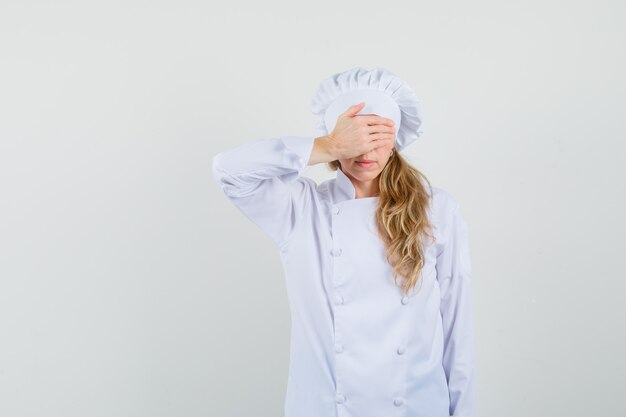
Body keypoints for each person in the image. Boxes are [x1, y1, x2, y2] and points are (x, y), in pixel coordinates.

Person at [212, 67, 476, 417]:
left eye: (376, 133)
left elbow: (458, 329)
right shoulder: (303, 210)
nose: (364, 149)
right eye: (354, 135)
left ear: (396, 138)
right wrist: (328, 146)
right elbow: (228, 170)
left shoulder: (437, 209)